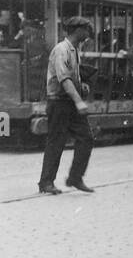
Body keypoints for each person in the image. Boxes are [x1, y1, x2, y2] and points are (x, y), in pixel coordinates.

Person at [37, 16, 96, 195]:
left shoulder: (74, 49)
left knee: (86, 138)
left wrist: (81, 85)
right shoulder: (61, 50)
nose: (87, 35)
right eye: (86, 30)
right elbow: (64, 79)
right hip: (59, 103)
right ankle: (46, 182)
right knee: (56, 142)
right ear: (78, 30)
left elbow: (72, 77)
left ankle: (75, 178)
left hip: (68, 102)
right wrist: (79, 101)